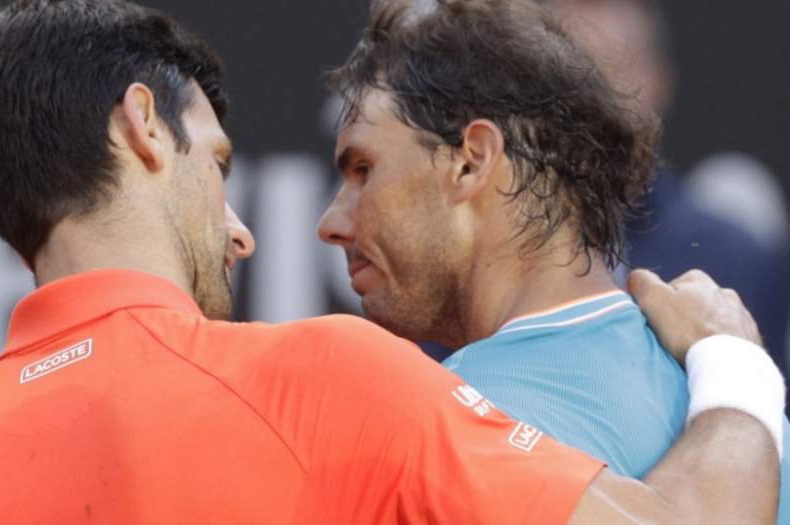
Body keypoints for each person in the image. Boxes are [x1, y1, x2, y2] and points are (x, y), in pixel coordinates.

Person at [0, 0, 782, 523]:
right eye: (218, 164)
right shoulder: (321, 382)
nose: (247, 231)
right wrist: (738, 374)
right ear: (143, 126)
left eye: (362, 169)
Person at [317, 0, 790, 514]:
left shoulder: (443, 430)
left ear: (473, 161)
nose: (331, 224)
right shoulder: (751, 421)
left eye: (364, 170)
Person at [546, 0, 790, 363]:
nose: (590, 97)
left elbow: (763, 393)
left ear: (661, 79)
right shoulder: (493, 254)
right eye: (566, 73)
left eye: (613, 67)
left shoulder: (736, 258)